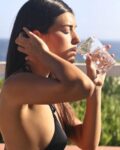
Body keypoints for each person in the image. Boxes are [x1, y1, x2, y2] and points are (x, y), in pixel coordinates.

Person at [0, 0, 108, 149]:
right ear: (36, 38)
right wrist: (42, 53)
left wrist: (96, 86)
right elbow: (83, 87)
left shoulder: (51, 89)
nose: (76, 39)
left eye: (75, 30)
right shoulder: (16, 86)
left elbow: (87, 143)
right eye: (66, 30)